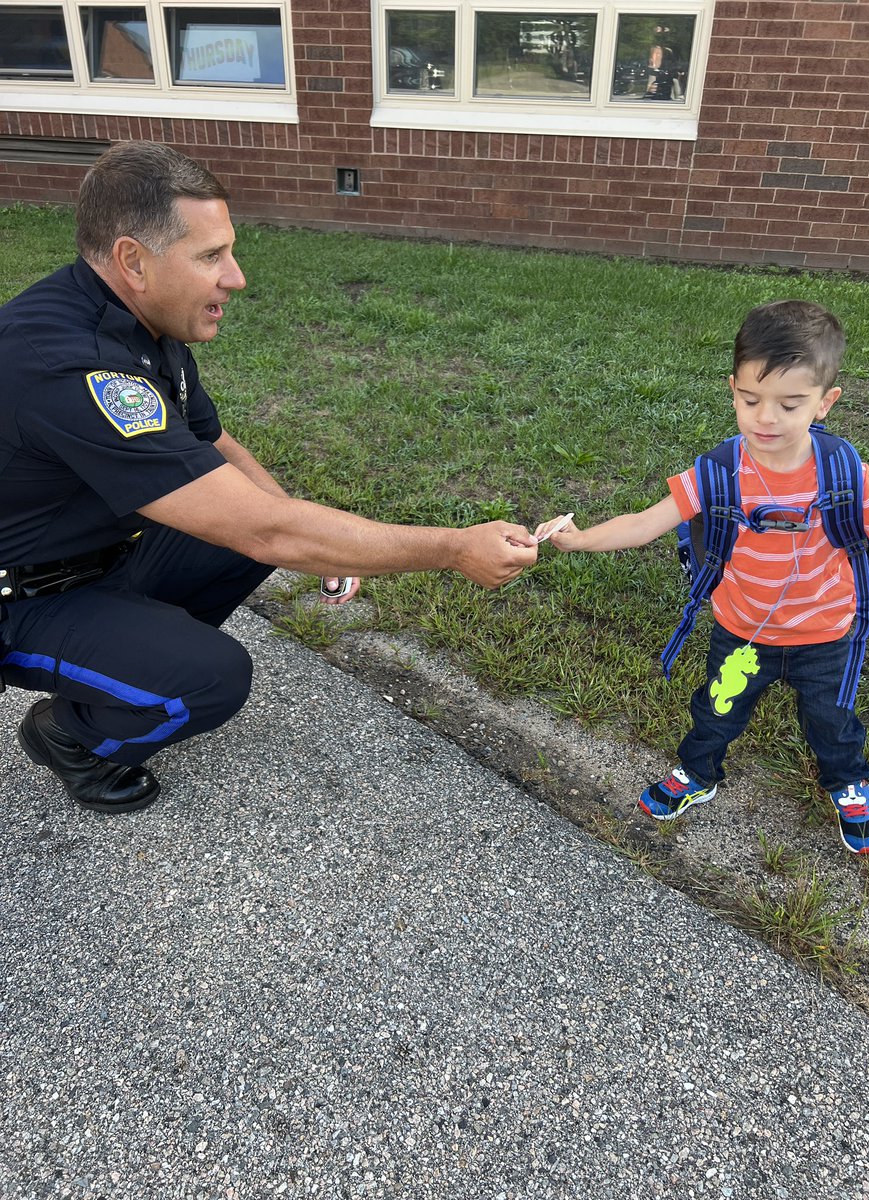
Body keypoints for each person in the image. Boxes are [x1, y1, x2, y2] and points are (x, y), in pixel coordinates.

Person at [0, 140, 537, 815]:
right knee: (209, 680)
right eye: (210, 257)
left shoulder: (142, 320)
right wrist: (453, 548)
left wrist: (313, 541)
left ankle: (126, 669)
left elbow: (213, 443)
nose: (237, 277)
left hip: (95, 561)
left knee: (246, 518)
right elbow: (267, 532)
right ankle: (70, 735)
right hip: (22, 601)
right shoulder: (68, 366)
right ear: (133, 260)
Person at [536, 300, 869, 855]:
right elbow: (644, 523)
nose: (766, 418)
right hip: (742, 628)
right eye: (750, 399)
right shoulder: (716, 473)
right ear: (732, 388)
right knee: (716, 709)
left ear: (825, 403)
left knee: (832, 721)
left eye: (790, 404)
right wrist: (579, 537)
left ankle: (848, 784)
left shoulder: (843, 472)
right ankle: (698, 773)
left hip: (828, 633)